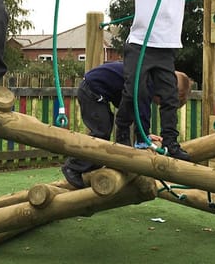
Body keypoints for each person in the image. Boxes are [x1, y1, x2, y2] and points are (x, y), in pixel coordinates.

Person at [107, 0, 208, 162]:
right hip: (139, 45)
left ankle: (171, 141)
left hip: (165, 49)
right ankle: (128, 133)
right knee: (135, 91)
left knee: (169, 96)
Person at [61, 61, 191, 188]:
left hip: (100, 90)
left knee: (104, 129)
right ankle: (72, 166)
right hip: (91, 90)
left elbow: (136, 112)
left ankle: (91, 166)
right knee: (101, 131)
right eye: (161, 103)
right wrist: (143, 137)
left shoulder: (147, 80)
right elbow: (141, 112)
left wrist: (146, 136)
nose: (158, 105)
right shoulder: (145, 84)